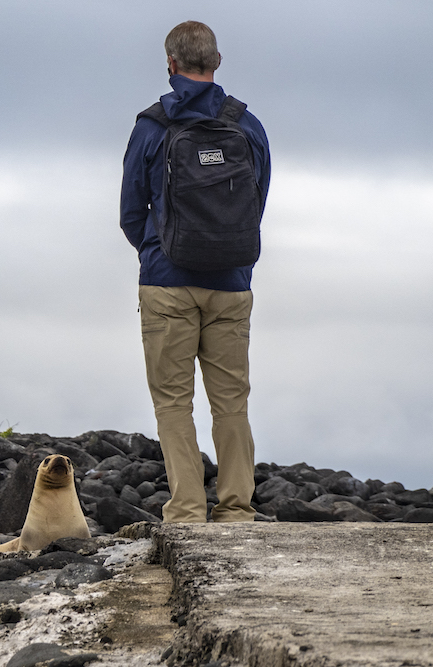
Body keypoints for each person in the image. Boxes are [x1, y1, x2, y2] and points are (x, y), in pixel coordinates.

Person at [120, 20, 271, 523]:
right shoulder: (247, 125)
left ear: (170, 65)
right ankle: (237, 509)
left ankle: (186, 511)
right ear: (218, 61)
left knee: (172, 402)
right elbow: (257, 202)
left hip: (167, 283)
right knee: (231, 403)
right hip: (231, 286)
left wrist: (158, 252)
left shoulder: (151, 126)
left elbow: (129, 211)